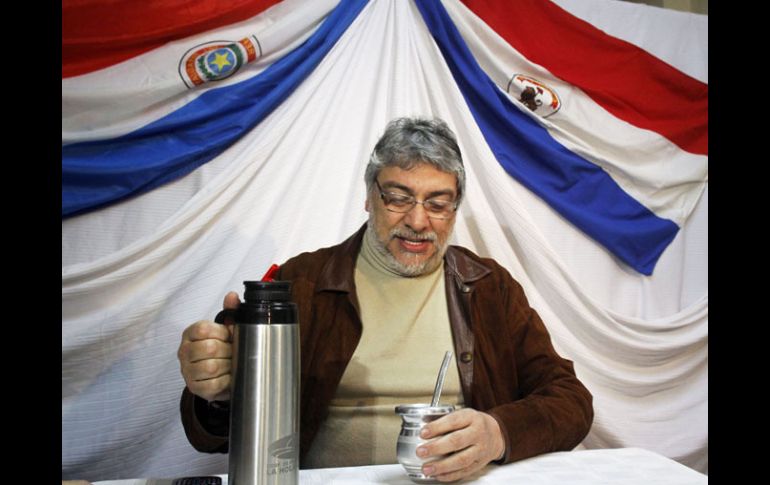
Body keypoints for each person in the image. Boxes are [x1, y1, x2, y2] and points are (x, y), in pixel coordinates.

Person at [177, 117, 593, 482]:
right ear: (368, 197)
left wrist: (498, 434)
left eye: (438, 204)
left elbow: (571, 401)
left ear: (454, 210)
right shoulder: (300, 282)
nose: (417, 221)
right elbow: (212, 436)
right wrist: (215, 391)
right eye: (398, 197)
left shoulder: (488, 286)